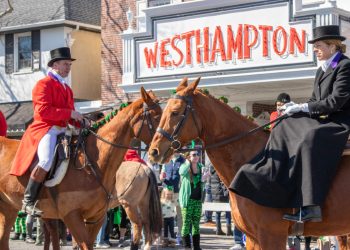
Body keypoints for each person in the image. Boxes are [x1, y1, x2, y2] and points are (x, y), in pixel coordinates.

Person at [229, 25, 350, 222]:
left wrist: (303, 108)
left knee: (309, 138)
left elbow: (336, 102)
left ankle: (311, 206)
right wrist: (295, 107)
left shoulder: (345, 66)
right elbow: (314, 100)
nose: (315, 49)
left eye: (318, 45)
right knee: (284, 122)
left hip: (339, 122)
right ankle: (273, 179)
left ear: (332, 46)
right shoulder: (322, 70)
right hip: (323, 118)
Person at [10, 47, 84, 216]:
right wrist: (70, 113)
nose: (68, 68)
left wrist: (82, 120)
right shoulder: (43, 84)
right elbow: (42, 112)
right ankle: (28, 201)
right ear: (55, 65)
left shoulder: (67, 89)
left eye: (69, 65)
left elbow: (71, 116)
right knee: (45, 161)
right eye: (65, 64)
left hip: (63, 130)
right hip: (46, 129)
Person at [179, 150, 205, 250]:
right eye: (194, 155)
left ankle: (197, 247)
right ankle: (187, 246)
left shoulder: (201, 167)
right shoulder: (185, 167)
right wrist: (188, 162)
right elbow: (181, 172)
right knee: (186, 223)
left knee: (196, 224)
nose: (196, 156)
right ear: (189, 157)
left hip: (197, 200)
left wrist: (203, 179)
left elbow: (201, 183)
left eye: (198, 154)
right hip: (187, 200)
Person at [159, 152, 185, 245]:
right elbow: (162, 172)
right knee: (166, 215)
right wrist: (161, 176)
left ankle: (180, 237)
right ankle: (166, 238)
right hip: (167, 191)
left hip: (179, 191)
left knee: (179, 215)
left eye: (177, 148)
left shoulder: (183, 160)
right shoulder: (166, 160)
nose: (175, 150)